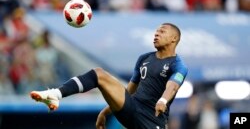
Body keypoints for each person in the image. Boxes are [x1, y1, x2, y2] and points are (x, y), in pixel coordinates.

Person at [30, 23, 188, 129]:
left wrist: (163, 100)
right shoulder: (144, 58)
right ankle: (55, 94)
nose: (156, 34)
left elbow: (173, 86)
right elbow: (129, 92)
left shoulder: (178, 64)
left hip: (152, 120)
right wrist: (104, 112)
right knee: (99, 74)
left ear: (174, 38)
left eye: (162, 32)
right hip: (133, 109)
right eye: (156, 31)